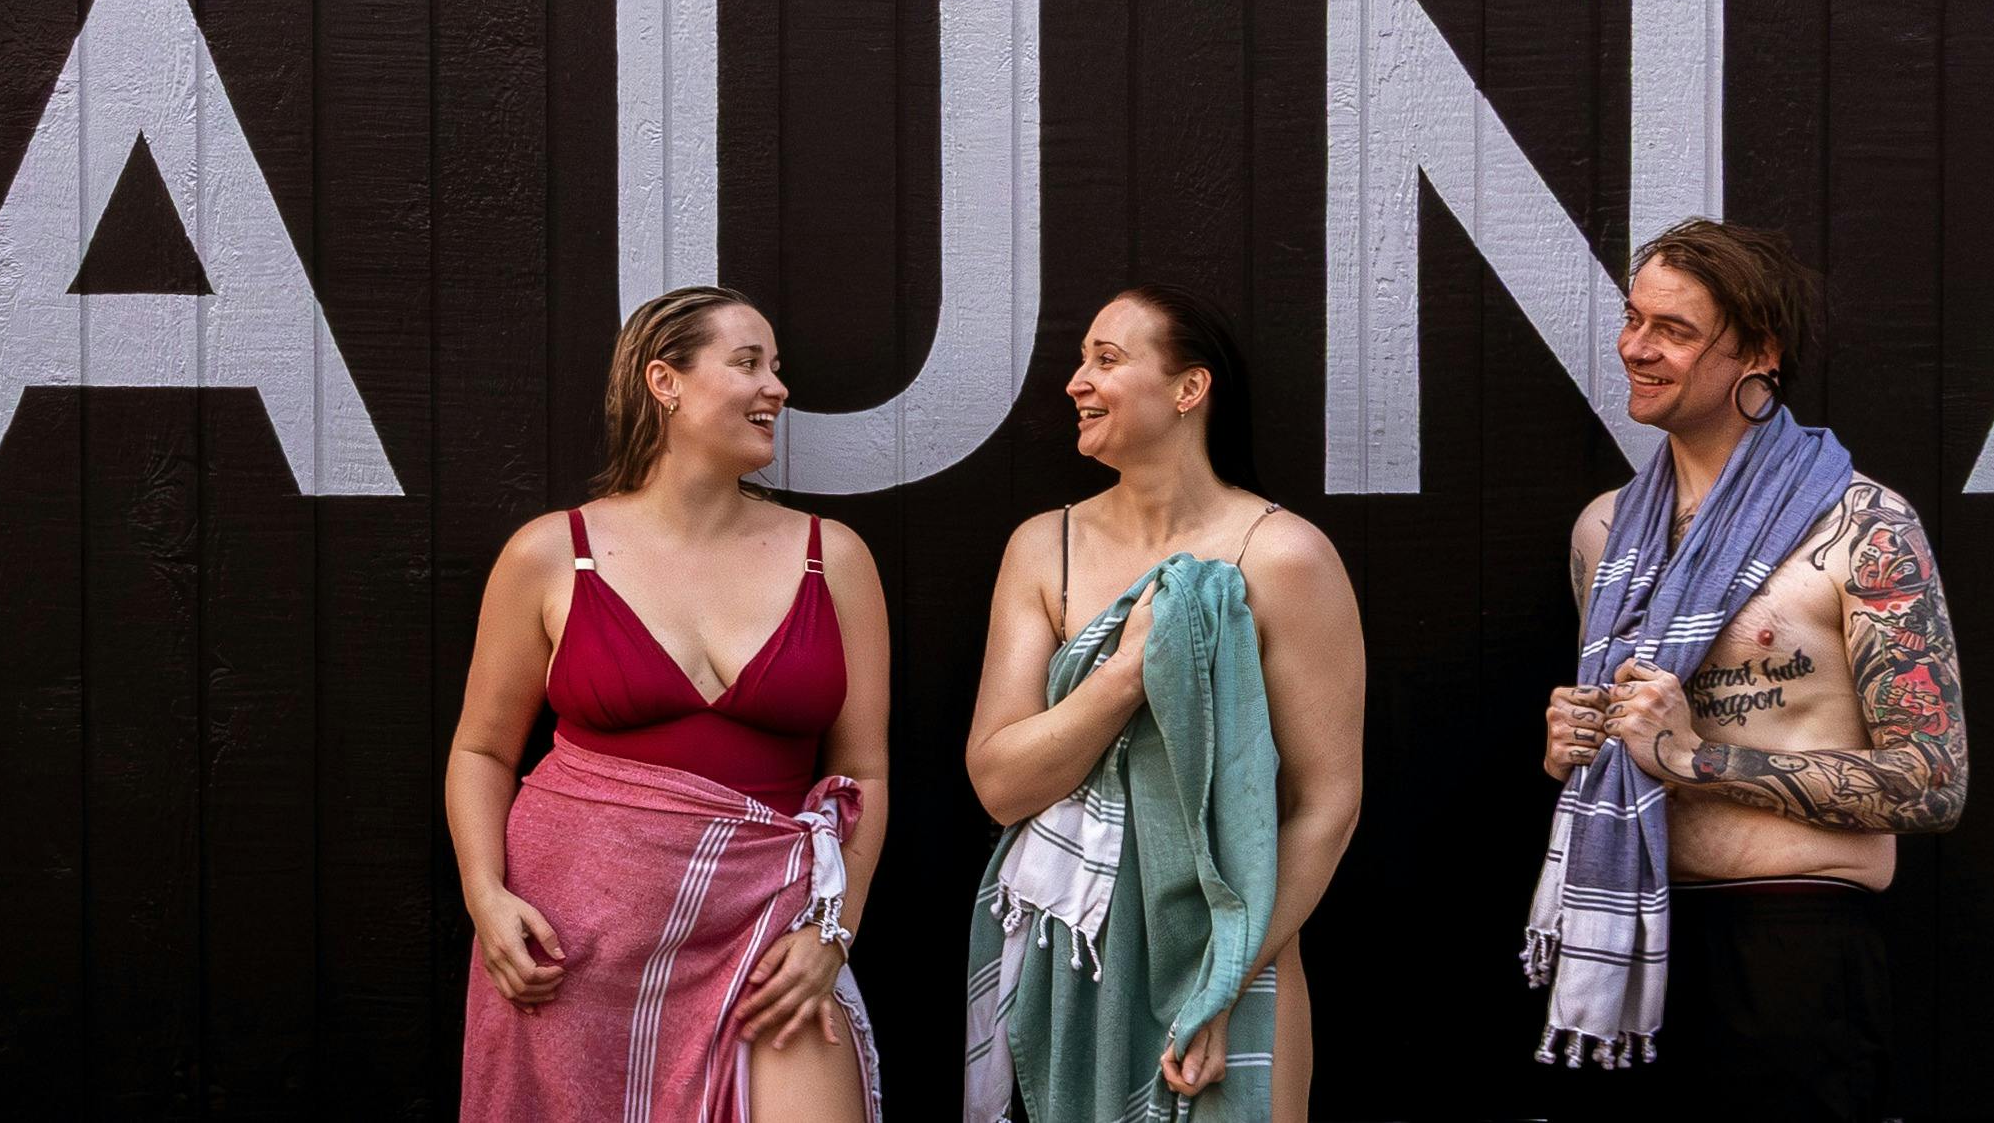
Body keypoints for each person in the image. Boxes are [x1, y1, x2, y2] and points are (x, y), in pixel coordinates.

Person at [1528, 218, 1970, 1121]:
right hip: (1623, 940)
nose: (1636, 349)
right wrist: (1577, 739)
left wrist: (1696, 758)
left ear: (1757, 355)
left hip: (1790, 952)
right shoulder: (1603, 531)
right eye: (1633, 318)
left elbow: (1933, 783)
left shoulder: (1862, 527)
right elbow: (1627, 736)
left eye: (1674, 332)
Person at [447, 287, 891, 1122]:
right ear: (666, 381)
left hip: (767, 935)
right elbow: (481, 751)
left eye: (777, 368)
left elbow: (863, 770)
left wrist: (834, 932)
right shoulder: (552, 553)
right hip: (573, 946)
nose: (779, 390)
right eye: (749, 363)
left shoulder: (833, 558)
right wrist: (484, 894)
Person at [963, 285, 1365, 1123]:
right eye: (1082, 361)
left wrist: (1224, 983)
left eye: (1106, 360)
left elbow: (1324, 804)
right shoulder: (1045, 548)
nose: (1077, 381)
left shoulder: (1282, 556)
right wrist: (1126, 672)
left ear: (1189, 390)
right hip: (1064, 953)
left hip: (1235, 959)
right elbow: (1001, 782)